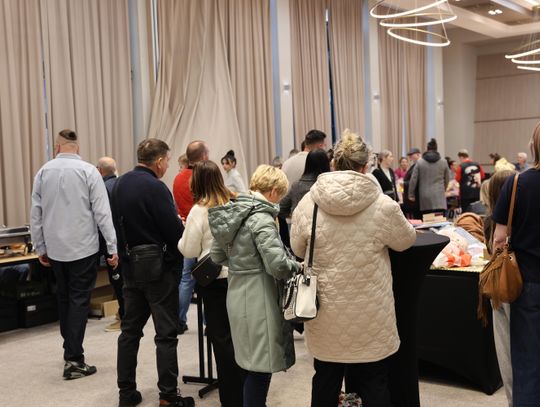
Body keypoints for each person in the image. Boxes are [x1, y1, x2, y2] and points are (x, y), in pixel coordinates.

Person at [290, 129, 416, 407]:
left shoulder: (310, 204)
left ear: (334, 163)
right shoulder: (383, 205)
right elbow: (406, 240)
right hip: (371, 313)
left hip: (326, 311)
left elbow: (297, 248)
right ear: (365, 166)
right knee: (375, 382)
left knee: (325, 379)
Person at [208, 165, 301, 407]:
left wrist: (241, 265)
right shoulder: (262, 218)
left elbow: (217, 255)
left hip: (236, 293)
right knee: (261, 367)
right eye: (280, 195)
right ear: (273, 191)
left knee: (249, 363)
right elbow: (277, 265)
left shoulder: (233, 212)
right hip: (261, 298)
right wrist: (297, 266)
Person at [30, 129, 118, 380]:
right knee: (79, 300)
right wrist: (112, 247)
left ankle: (69, 349)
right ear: (77, 148)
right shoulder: (89, 171)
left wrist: (40, 246)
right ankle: (74, 359)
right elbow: (102, 213)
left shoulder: (43, 172)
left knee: (64, 298)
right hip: (83, 247)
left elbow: (36, 213)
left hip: (55, 249)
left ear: (57, 147)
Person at [113, 138, 194, 407]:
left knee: (129, 332)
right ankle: (168, 395)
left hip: (130, 268)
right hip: (160, 271)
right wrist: (181, 230)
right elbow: (172, 232)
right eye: (167, 161)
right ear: (159, 161)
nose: (167, 166)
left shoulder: (120, 184)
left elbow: (115, 225)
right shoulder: (156, 187)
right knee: (166, 334)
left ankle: (126, 393)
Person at [178, 160, 245, 407]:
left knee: (222, 340)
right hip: (241, 275)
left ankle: (232, 399)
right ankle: (249, 393)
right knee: (242, 337)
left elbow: (188, 250)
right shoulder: (236, 202)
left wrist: (183, 232)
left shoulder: (199, 210)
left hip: (215, 281)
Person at [492, 122, 540, 407]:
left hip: (528, 283)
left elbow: (499, 239)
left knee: (527, 361)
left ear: (533, 148)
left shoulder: (517, 183)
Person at [173, 140, 209, 334]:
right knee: (208, 277)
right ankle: (208, 322)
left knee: (186, 278)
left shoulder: (178, 179)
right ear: (203, 156)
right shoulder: (204, 176)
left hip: (187, 231)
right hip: (206, 233)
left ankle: (179, 320)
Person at [96, 156, 125, 332]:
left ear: (99, 170)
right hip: (124, 240)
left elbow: (103, 219)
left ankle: (124, 318)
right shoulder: (122, 184)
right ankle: (123, 314)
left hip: (111, 242)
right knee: (122, 281)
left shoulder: (102, 189)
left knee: (117, 281)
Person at [278, 149, 330, 220]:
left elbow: (281, 208)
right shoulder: (328, 186)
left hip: (299, 225)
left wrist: (293, 216)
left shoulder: (296, 186)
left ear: (307, 164)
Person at [409, 139, 450, 215]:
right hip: (439, 197)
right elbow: (447, 178)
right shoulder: (443, 162)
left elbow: (413, 179)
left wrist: (411, 194)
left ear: (427, 149)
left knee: (427, 219)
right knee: (440, 220)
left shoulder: (420, 162)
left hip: (425, 197)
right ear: (436, 149)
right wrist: (443, 189)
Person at [402, 147, 421, 219]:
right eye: (409, 155)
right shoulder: (414, 165)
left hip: (416, 197)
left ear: (418, 154)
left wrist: (404, 183)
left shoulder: (419, 165)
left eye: (411, 155)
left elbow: (416, 181)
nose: (410, 157)